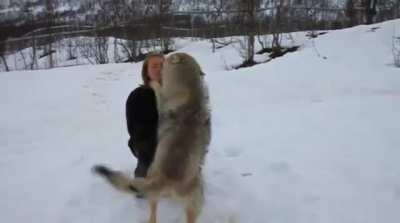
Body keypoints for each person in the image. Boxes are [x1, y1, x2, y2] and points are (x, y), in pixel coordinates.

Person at [126, 52, 164, 178]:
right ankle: (143, 174)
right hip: (145, 143)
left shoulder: (176, 93)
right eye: (154, 66)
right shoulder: (137, 96)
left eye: (163, 66)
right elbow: (135, 131)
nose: (159, 69)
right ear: (146, 72)